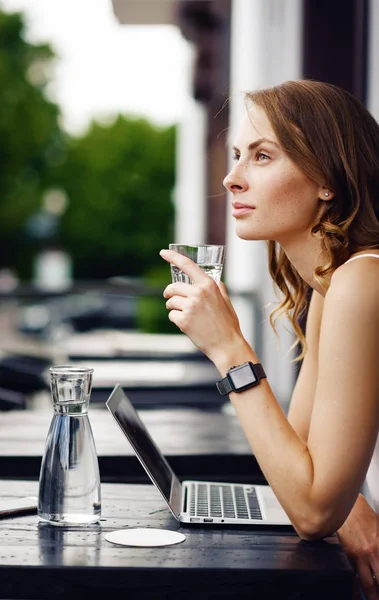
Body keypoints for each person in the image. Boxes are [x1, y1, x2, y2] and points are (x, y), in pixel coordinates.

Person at [159, 80, 379, 600]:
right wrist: (350, 503)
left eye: (262, 156)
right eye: (236, 155)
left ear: (327, 179)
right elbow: (303, 460)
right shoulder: (335, 282)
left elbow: (311, 511)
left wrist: (230, 351)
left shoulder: (361, 282)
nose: (231, 179)